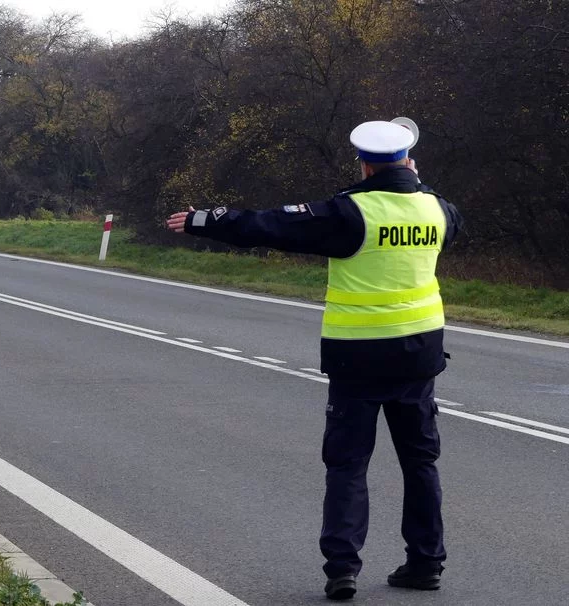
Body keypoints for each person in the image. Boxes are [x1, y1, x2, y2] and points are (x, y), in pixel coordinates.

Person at [165, 120, 463, 601]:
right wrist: (417, 181)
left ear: (364, 163)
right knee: (420, 463)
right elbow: (443, 211)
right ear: (407, 161)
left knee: (347, 465)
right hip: (418, 356)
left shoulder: (349, 213)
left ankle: (342, 570)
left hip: (358, 360)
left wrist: (205, 219)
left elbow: (271, 224)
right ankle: (426, 562)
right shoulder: (438, 211)